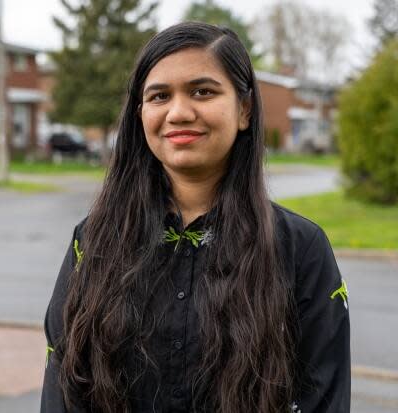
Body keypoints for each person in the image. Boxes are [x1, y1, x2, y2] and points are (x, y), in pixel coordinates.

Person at [41, 22, 350, 413]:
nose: (179, 112)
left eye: (202, 92)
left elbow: (323, 398)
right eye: (159, 96)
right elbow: (63, 389)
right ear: (140, 114)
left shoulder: (299, 249)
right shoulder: (95, 242)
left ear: (244, 109)